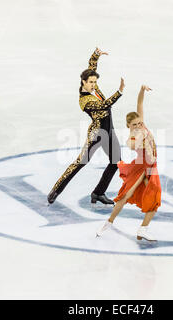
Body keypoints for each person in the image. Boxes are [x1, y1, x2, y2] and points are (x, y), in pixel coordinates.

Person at [47, 47, 125, 205]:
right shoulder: (84, 100)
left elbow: (91, 66)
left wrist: (96, 55)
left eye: (95, 82)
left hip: (109, 131)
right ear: (83, 82)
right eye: (91, 82)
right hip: (97, 134)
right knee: (80, 162)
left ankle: (98, 193)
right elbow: (104, 105)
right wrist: (119, 91)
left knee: (116, 163)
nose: (94, 85)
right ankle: (56, 189)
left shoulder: (93, 86)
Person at [96, 85, 161, 241]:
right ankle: (108, 223)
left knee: (154, 199)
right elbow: (130, 144)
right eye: (134, 125)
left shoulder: (142, 125)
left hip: (151, 167)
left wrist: (141, 90)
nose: (138, 126)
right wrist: (137, 142)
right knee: (125, 197)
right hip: (142, 168)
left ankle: (143, 229)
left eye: (139, 123)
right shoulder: (134, 136)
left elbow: (139, 105)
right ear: (129, 127)